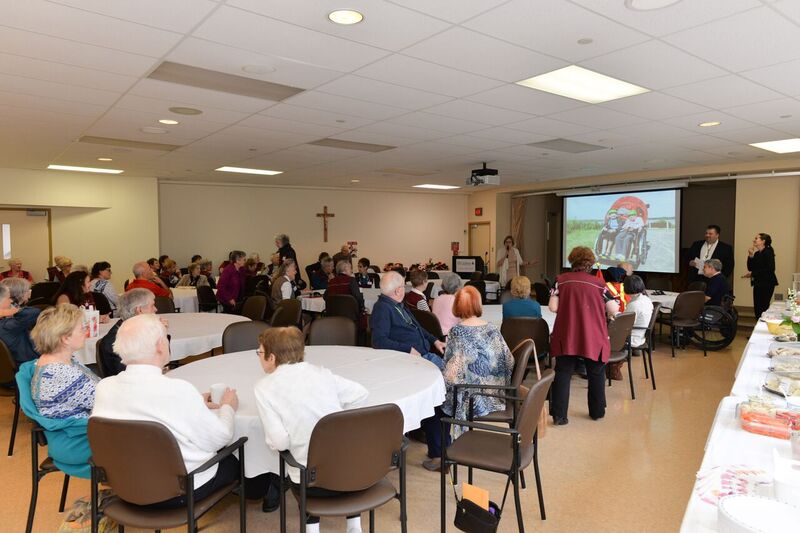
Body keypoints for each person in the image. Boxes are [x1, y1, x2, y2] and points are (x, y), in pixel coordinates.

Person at [92, 314, 240, 509]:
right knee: (237, 456)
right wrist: (228, 406)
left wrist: (195, 403)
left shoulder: (104, 387)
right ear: (161, 346)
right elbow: (220, 437)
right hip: (179, 491)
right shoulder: (178, 390)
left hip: (124, 486)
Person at [254, 327, 367, 533]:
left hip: (311, 484)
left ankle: (312, 528)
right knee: (339, 453)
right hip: (353, 476)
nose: (258, 357)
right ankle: (354, 526)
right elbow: (361, 394)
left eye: (259, 353)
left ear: (271, 357)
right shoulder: (321, 373)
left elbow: (279, 442)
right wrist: (339, 421)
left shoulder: (264, 388)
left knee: (304, 461)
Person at [423, 286, 514, 472]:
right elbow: (509, 360)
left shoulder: (457, 332)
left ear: (457, 307)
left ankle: (440, 456)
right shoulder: (492, 329)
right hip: (495, 395)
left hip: (471, 399)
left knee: (432, 402)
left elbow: (451, 374)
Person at [549, 246, 619, 426]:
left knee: (563, 373)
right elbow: (613, 308)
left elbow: (553, 307)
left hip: (567, 333)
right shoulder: (600, 284)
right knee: (596, 372)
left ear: (572, 261)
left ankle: (559, 416)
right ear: (590, 263)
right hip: (593, 335)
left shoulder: (560, 281)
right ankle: (596, 412)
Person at [30, 304, 99, 419]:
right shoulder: (59, 372)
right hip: (78, 431)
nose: (86, 332)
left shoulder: (57, 360)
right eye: (83, 328)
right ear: (65, 338)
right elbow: (106, 400)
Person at [371, 271, 446, 369]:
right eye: (403, 286)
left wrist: (435, 341)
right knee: (455, 375)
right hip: (412, 360)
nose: (405, 289)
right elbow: (379, 341)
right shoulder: (382, 308)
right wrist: (408, 349)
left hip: (423, 355)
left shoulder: (398, 304)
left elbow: (417, 328)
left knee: (455, 370)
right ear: (398, 291)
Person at [96, 289, 158, 377]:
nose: (156, 309)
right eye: (152, 306)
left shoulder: (133, 328)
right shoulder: (118, 341)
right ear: (139, 310)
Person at [0, 279, 41, 363]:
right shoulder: (7, 325)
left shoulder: (8, 321)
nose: (11, 301)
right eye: (8, 298)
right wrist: (14, 309)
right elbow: (34, 312)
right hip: (27, 365)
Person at [743, 233, 778, 319]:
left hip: (767, 283)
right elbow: (751, 267)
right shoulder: (757, 254)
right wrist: (751, 255)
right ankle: (759, 324)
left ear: (763, 241)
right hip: (758, 283)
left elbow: (771, 269)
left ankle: (763, 325)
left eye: (756, 238)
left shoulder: (768, 252)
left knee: (763, 306)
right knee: (757, 307)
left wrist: (753, 273)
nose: (754, 240)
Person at [623, 275, 653, 351]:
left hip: (631, 339)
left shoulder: (634, 304)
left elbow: (624, 326)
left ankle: (616, 360)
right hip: (641, 336)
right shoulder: (647, 299)